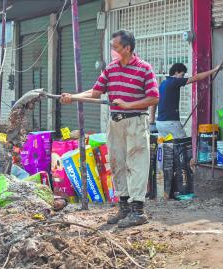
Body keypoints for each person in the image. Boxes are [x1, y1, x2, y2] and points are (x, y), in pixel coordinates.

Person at [60, 30, 159, 228]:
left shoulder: (144, 69)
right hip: (115, 123)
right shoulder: (111, 69)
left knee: (137, 163)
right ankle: (123, 207)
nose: (112, 50)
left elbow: (154, 98)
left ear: (127, 48)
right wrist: (74, 97)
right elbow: (95, 92)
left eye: (115, 47)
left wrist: (128, 105)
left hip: (136, 121)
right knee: (116, 163)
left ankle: (138, 210)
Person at [150, 63, 221, 138]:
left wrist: (152, 120)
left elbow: (154, 102)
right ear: (176, 72)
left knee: (166, 147)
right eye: (182, 74)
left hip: (160, 123)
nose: (183, 77)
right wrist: (214, 70)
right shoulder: (175, 81)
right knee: (184, 145)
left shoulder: (162, 84)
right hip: (171, 123)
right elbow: (197, 77)